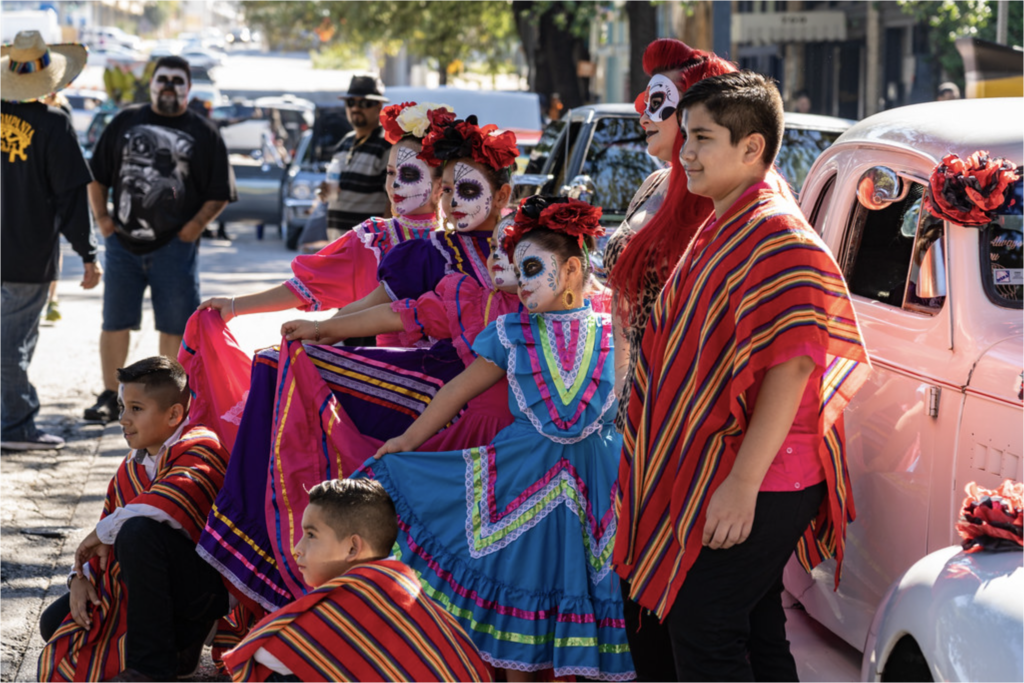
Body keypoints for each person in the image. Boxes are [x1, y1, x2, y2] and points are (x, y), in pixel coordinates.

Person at [196, 114, 521, 612]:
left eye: (464, 189)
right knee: (275, 366)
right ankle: (270, 545)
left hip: (501, 400)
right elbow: (393, 309)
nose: (454, 202)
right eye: (451, 190)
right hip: (444, 380)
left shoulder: (520, 250)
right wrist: (316, 328)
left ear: (501, 197)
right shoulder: (431, 252)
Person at [613, 71, 871, 681]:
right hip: (718, 464)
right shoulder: (726, 220)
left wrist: (741, 484)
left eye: (702, 139)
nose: (687, 153)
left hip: (759, 473)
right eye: (686, 138)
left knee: (705, 628)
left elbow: (796, 363)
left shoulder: (778, 235)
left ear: (751, 148)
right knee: (754, 628)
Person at [357, 196, 634, 681]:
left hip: (599, 494)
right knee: (518, 631)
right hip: (518, 488)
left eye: (532, 267)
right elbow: (454, 393)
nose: (521, 281)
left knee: (592, 618)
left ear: (572, 269)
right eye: (518, 267)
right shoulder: (509, 332)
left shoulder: (619, 332)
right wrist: (407, 441)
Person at [37, 356, 232, 682]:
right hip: (152, 589)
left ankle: (151, 667)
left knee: (137, 530)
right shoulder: (132, 465)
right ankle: (173, 652)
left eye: (136, 409)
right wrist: (78, 578)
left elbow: (165, 505)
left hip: (202, 593)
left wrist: (101, 532)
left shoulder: (203, 447)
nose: (123, 419)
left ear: (174, 414)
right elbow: (105, 537)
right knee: (55, 623)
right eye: (121, 406)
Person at [198, 100, 451, 348]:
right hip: (394, 373)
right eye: (390, 173)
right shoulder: (375, 238)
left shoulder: (461, 241)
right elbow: (306, 286)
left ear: (441, 185)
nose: (393, 185)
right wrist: (234, 306)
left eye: (408, 175)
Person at [84, 55, 237, 423]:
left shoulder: (204, 133)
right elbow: (95, 174)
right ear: (152, 84)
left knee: (173, 325)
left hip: (174, 249)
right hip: (123, 243)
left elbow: (220, 191)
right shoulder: (125, 121)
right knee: (115, 321)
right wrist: (102, 218)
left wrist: (195, 226)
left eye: (177, 80)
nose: (169, 85)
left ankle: (166, 403)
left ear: (188, 87)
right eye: (163, 78)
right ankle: (112, 396)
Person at [221, 478, 493, 682]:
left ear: (352, 548)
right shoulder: (401, 586)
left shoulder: (354, 599)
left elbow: (263, 653)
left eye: (311, 535)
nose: (297, 548)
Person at [1, 31, 102, 452]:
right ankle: (17, 424)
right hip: (27, 257)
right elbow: (71, 199)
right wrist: (89, 254)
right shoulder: (55, 125)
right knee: (12, 346)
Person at [323, 74, 392, 241]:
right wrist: (323, 191)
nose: (355, 108)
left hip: (369, 247)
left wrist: (383, 242)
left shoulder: (387, 145)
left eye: (364, 103)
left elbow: (393, 200)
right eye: (350, 102)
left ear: (379, 106)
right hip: (338, 243)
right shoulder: (345, 142)